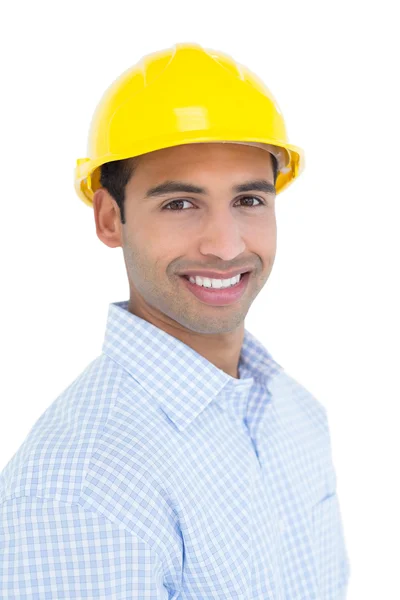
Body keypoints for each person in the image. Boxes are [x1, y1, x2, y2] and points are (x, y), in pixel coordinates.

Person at [0, 42, 351, 599]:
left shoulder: (295, 414)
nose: (225, 245)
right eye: (180, 204)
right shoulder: (81, 491)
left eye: (249, 201)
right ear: (110, 218)